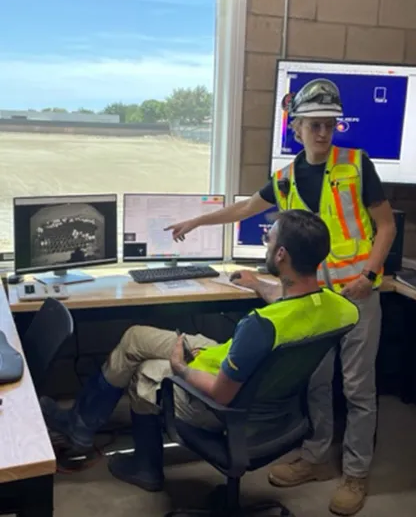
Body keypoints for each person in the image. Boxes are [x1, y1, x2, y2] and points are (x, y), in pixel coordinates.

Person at [166, 78, 397, 515]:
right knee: (313, 381)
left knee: (357, 388)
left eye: (329, 124)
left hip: (358, 295)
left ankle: (355, 473)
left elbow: (386, 226)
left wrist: (368, 275)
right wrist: (197, 222)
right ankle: (314, 458)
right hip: (315, 299)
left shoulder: (356, 165)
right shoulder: (288, 177)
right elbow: (245, 208)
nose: (323, 133)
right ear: (297, 128)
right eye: (314, 125)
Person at [40, 209, 360, 493]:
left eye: (269, 239)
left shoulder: (259, 326)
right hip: (256, 385)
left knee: (146, 372)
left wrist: (180, 369)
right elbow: (294, 305)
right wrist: (259, 284)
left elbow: (220, 395)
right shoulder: (341, 309)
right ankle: (79, 426)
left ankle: (145, 467)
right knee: (135, 338)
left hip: (219, 400)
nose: (266, 244)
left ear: (281, 255)